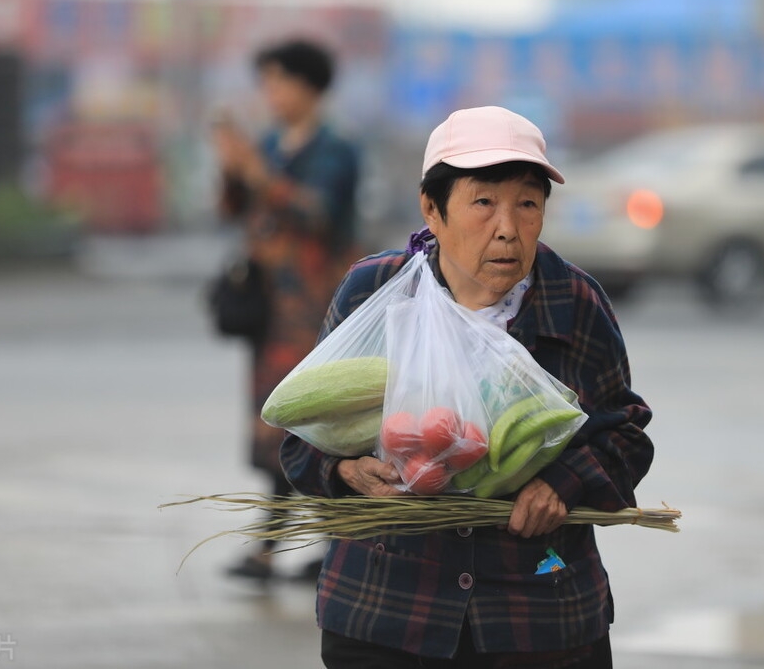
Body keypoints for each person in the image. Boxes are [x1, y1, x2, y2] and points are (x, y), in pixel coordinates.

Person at [281, 106, 654, 667]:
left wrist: (564, 483)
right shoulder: (375, 295)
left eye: (527, 203)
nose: (508, 227)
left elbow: (626, 436)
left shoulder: (572, 303)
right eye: (483, 202)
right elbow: (297, 440)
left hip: (537, 614)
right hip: (387, 614)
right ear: (432, 209)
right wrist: (343, 470)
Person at [215, 39, 360, 581]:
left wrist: (255, 171)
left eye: (278, 82)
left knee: (316, 421)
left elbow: (316, 214)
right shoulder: (272, 144)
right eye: (266, 82)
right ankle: (285, 545)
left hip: (317, 305)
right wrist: (232, 169)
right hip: (270, 306)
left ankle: (330, 543)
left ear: (308, 86)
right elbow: (233, 210)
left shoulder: (335, 148)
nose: (270, 94)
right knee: (277, 421)